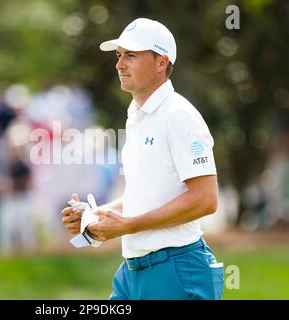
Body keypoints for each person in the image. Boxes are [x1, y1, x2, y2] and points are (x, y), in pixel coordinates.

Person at [61, 18, 224, 300]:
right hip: (132, 273)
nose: (120, 64)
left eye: (131, 55)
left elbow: (205, 199)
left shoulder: (178, 115)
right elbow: (148, 193)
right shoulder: (136, 115)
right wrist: (97, 216)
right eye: (119, 55)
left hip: (176, 270)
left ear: (161, 62)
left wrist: (127, 225)